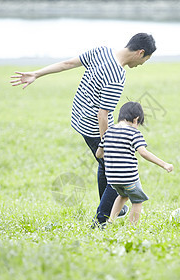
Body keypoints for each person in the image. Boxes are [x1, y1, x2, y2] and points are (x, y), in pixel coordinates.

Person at [11, 33, 157, 226]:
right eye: (146, 59)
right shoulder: (117, 76)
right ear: (140, 52)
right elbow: (102, 115)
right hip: (95, 127)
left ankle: (114, 208)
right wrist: (106, 144)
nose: (142, 64)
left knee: (105, 166)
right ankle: (102, 219)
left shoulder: (101, 51)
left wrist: (37, 73)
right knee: (119, 171)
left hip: (79, 119)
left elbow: (67, 64)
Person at [95, 102, 173, 226]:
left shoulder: (108, 132)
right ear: (136, 119)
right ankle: (132, 227)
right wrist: (164, 164)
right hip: (128, 178)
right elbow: (143, 152)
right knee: (138, 200)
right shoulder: (134, 133)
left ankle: (110, 221)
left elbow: (98, 154)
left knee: (123, 196)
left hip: (112, 179)